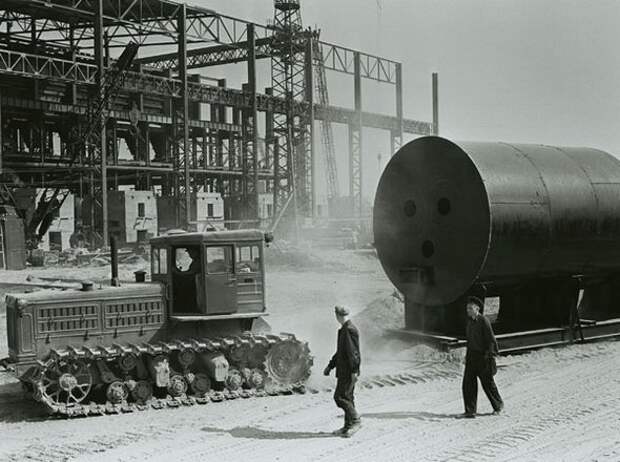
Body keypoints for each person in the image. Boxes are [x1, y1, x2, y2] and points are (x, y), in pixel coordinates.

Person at [461, 296, 504, 418]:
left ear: (477, 308)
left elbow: (491, 340)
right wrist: (466, 356)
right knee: (468, 384)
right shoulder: (469, 322)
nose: (468, 310)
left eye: (470, 308)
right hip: (471, 356)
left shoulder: (484, 320)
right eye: (467, 308)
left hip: (483, 356)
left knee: (487, 383)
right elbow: (469, 341)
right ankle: (470, 411)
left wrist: (490, 356)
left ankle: (498, 405)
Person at [323, 305, 362, 437]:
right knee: (348, 397)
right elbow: (340, 352)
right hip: (346, 370)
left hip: (349, 371)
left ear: (338, 316)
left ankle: (356, 421)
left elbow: (353, 354)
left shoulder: (349, 330)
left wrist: (354, 371)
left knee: (340, 397)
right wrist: (330, 366)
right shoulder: (344, 329)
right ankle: (347, 427)